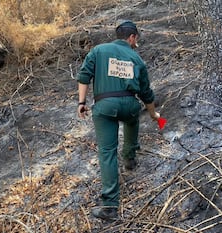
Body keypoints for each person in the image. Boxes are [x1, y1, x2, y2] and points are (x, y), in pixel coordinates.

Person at [76, 21, 160, 221]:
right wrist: (153, 114)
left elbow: (84, 76)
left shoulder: (98, 50)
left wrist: (81, 102)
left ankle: (110, 207)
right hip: (130, 103)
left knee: (107, 152)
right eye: (136, 39)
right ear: (132, 37)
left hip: (104, 107)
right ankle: (130, 158)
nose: (136, 43)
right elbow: (146, 93)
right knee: (132, 119)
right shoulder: (136, 58)